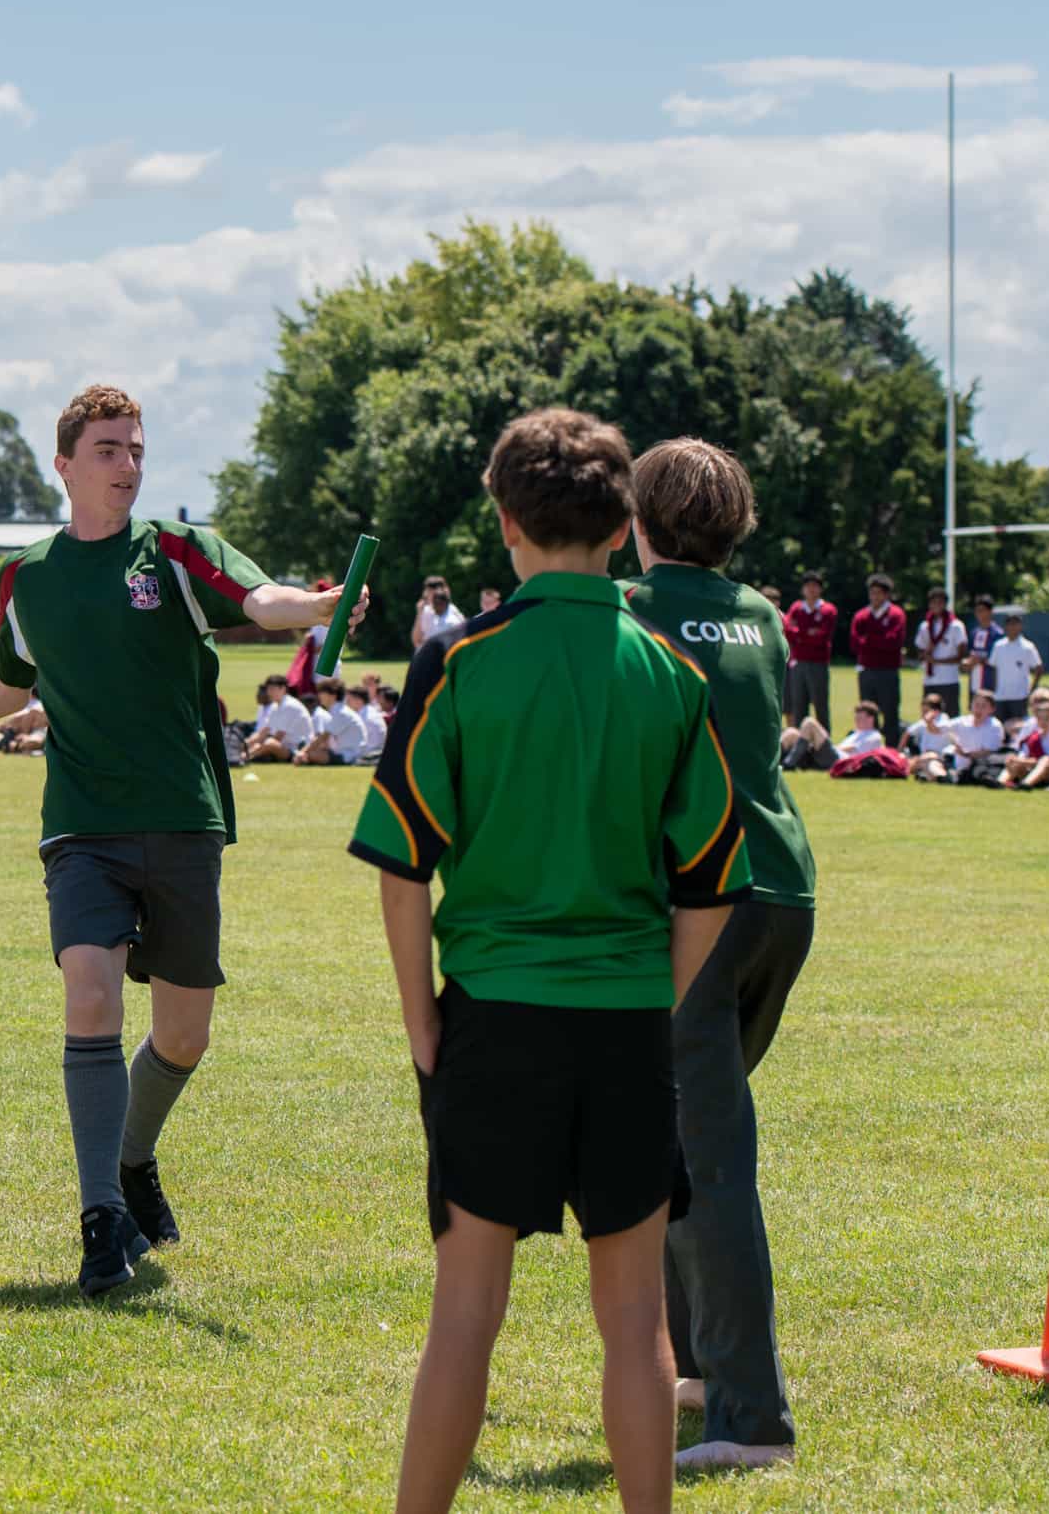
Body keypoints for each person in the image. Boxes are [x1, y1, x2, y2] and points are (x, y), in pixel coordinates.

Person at [0, 382, 364, 1298]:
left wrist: (312, 610)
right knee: (89, 997)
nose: (128, 463)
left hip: (186, 818)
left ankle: (132, 1159)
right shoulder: (28, 576)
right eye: (110, 449)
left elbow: (261, 597)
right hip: (81, 825)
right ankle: (99, 1220)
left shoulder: (176, 551)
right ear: (66, 464)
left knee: (184, 1036)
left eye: (136, 448)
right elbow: (9, 684)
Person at [350, 408, 748, 1514]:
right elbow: (713, 874)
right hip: (623, 1024)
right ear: (624, 529)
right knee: (634, 1321)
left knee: (464, 1312)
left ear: (504, 521)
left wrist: (420, 1020)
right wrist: (651, 996)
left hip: (492, 1016)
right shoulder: (666, 670)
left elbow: (400, 863)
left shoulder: (459, 659)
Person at [624, 437, 816, 1471]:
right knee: (681, 1130)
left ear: (636, 518)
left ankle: (749, 1419)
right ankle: (695, 1361)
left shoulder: (625, 611)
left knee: (708, 1155)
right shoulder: (761, 615)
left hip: (699, 905)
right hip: (782, 891)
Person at [848, 573, 907, 746]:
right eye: (872, 592)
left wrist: (869, 640)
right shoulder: (861, 616)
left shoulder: (896, 615)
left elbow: (894, 641)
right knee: (867, 713)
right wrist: (879, 640)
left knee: (890, 713)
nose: (875, 596)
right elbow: (854, 643)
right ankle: (868, 748)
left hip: (888, 671)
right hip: (867, 670)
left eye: (878, 592)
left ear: (886, 594)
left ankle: (891, 750)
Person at [782, 573, 837, 732]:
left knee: (820, 705)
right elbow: (788, 631)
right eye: (808, 586)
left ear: (820, 589)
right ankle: (801, 744)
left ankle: (824, 743)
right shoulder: (797, 608)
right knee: (798, 705)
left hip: (818, 663)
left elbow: (822, 637)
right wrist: (808, 633)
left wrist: (799, 634)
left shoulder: (828, 610)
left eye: (815, 586)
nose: (811, 590)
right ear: (803, 589)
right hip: (798, 663)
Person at [915, 587, 966, 723]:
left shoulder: (955, 626)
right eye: (933, 602)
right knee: (929, 717)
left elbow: (960, 656)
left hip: (949, 679)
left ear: (945, 604)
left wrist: (937, 661)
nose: (936, 605)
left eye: (940, 602)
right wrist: (926, 655)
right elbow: (919, 651)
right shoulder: (925, 626)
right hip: (930, 679)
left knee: (950, 716)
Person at [1000, 688, 1049, 789]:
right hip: (1031, 769)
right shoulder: (1033, 735)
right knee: (1013, 760)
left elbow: (1048, 763)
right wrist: (1016, 760)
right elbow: (1024, 753)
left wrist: (1022, 761)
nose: (1043, 722)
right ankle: (1000, 782)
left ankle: (1026, 784)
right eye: (1040, 718)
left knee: (1045, 761)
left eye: (1047, 718)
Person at [985, 607, 1044, 716]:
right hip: (1000, 695)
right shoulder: (999, 646)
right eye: (1010, 624)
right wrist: (994, 689)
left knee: (1018, 727)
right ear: (1005, 627)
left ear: (1020, 626)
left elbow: (1038, 668)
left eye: (1015, 624)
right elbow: (993, 667)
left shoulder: (1027, 647)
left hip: (1020, 695)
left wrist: (1031, 690)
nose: (1012, 627)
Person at [294, 676, 363, 765]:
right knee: (310, 752)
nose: (319, 696)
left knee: (310, 754)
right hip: (343, 752)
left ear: (333, 695)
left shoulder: (341, 713)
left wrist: (302, 752)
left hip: (349, 756)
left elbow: (323, 737)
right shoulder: (338, 710)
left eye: (322, 693)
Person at [244, 674, 312, 763]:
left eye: (272, 689)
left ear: (283, 689)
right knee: (262, 743)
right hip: (284, 746)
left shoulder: (289, 706)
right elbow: (264, 731)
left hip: (298, 749)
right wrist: (246, 744)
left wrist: (250, 751)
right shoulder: (275, 706)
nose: (269, 692)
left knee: (269, 743)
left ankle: (247, 758)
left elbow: (278, 737)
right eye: (268, 689)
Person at [948, 690, 1006, 785]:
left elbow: (988, 752)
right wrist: (955, 742)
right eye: (976, 705)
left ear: (991, 709)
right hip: (961, 763)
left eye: (983, 706)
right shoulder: (963, 721)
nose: (978, 709)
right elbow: (943, 729)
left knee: (979, 769)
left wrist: (966, 754)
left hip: (984, 763)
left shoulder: (994, 726)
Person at [902, 692, 959, 782]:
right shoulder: (923, 722)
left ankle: (941, 777)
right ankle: (927, 775)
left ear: (936, 711)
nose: (923, 714)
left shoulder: (943, 719)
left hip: (940, 757)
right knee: (919, 763)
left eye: (926, 711)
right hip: (925, 756)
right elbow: (908, 732)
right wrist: (899, 750)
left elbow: (936, 730)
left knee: (929, 761)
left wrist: (929, 722)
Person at [964, 595, 1004, 711]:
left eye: (982, 611)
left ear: (990, 612)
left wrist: (980, 660)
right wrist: (967, 662)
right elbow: (970, 654)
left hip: (990, 681)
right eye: (977, 611)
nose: (979, 614)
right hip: (974, 681)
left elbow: (998, 659)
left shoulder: (997, 634)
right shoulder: (974, 633)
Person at [412, 574, 466, 648]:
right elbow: (416, 641)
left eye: (429, 592)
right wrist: (419, 614)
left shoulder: (453, 612)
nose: (425, 594)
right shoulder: (425, 611)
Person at [347, 683, 386, 761]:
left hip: (369, 755)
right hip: (376, 752)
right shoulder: (370, 711)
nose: (347, 703)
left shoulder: (363, 717)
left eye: (349, 700)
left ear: (358, 700)